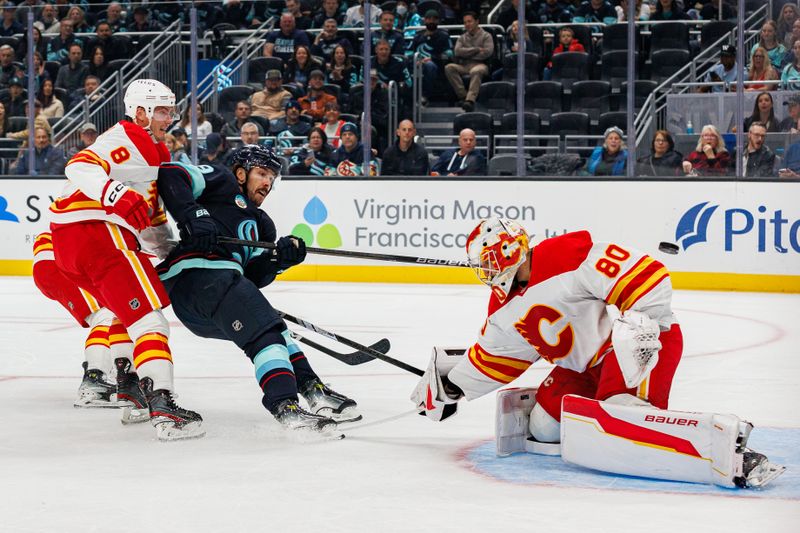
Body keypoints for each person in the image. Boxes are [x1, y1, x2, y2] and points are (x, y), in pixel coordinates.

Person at [411, 217, 784, 489]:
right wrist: (450, 386)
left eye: (488, 262)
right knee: (542, 428)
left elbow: (644, 273)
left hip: (640, 344)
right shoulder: (501, 308)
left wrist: (642, 325)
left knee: (623, 417)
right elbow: (495, 358)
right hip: (582, 367)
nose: (485, 272)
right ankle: (620, 425)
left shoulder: (563, 255)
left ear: (509, 251)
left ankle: (725, 455)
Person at [155, 148, 359, 430]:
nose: (267, 183)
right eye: (262, 174)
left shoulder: (263, 225)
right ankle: (285, 405)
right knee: (266, 333)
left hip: (212, 297)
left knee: (276, 332)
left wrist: (280, 260)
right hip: (198, 276)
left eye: (272, 178)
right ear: (241, 173)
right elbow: (171, 174)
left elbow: (253, 277)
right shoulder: (223, 181)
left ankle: (313, 389)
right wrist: (195, 216)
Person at [47, 79, 204, 441]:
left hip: (75, 246)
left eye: (170, 110)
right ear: (141, 112)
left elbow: (150, 222)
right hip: (95, 233)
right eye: (163, 110)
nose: (170, 118)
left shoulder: (154, 154)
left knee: (124, 311)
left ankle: (130, 389)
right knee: (151, 320)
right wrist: (113, 191)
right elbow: (79, 166)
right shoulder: (125, 137)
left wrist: (174, 251)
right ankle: (163, 405)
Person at [31, 232, 148, 421]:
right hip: (62, 260)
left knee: (104, 313)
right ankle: (95, 379)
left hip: (52, 259)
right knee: (105, 315)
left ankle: (97, 374)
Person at [445, 12, 493, 112]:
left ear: (477, 22)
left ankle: (470, 101)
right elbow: (457, 52)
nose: (467, 24)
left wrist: (466, 52)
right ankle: (463, 96)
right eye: (465, 22)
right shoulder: (462, 38)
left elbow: (487, 52)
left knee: (475, 71)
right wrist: (476, 49)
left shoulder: (486, 36)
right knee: (449, 67)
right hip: (464, 65)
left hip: (481, 64)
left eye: (469, 21)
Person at [409, 10, 453, 106]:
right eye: (429, 19)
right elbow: (410, 52)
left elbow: (449, 54)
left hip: (437, 63)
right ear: (425, 21)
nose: (431, 21)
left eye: (434, 19)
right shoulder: (418, 37)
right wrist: (415, 60)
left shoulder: (444, 36)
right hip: (418, 63)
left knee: (429, 65)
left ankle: (425, 96)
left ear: (438, 21)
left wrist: (432, 58)